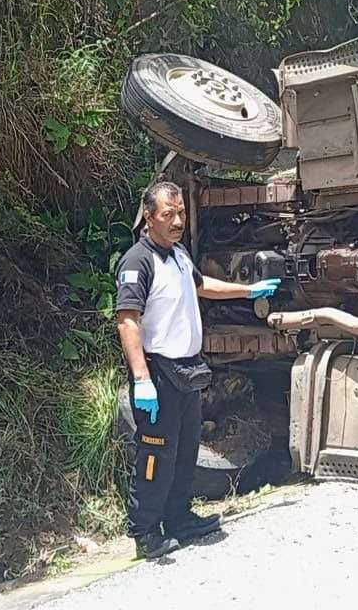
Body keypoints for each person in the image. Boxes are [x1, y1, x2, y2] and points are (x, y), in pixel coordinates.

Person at [114, 180, 280, 559]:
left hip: (187, 371)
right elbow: (127, 321)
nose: (177, 221)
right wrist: (142, 380)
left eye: (181, 213)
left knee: (186, 449)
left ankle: (178, 518)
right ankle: (145, 533)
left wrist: (248, 291)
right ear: (149, 217)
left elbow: (203, 287)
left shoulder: (178, 255)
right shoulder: (138, 261)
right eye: (168, 214)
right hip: (157, 373)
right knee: (156, 453)